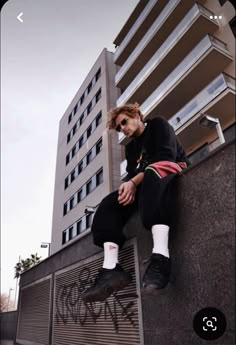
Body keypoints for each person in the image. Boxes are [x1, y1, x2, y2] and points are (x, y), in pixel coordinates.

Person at [81, 103, 190, 303]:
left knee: (152, 171)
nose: (123, 128)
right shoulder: (131, 148)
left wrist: (132, 182)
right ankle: (111, 269)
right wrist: (127, 187)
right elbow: (133, 174)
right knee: (109, 204)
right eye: (119, 127)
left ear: (137, 115)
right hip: (146, 184)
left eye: (124, 122)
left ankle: (161, 257)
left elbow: (165, 156)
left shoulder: (158, 125)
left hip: (172, 169)